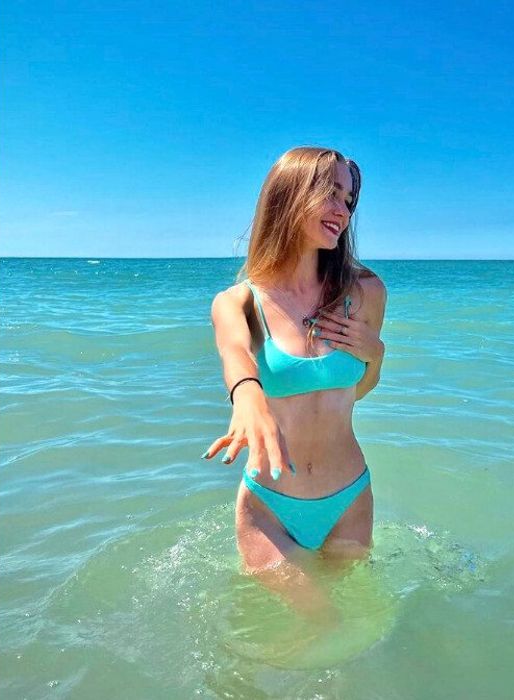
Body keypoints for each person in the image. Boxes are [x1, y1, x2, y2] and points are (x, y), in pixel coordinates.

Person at [203, 147, 388, 614]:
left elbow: (357, 391)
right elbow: (235, 353)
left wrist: (376, 353)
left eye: (349, 200)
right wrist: (247, 398)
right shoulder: (239, 302)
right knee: (319, 621)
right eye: (331, 193)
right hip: (271, 508)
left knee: (360, 627)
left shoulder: (366, 292)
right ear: (288, 195)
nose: (343, 210)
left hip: (350, 499)